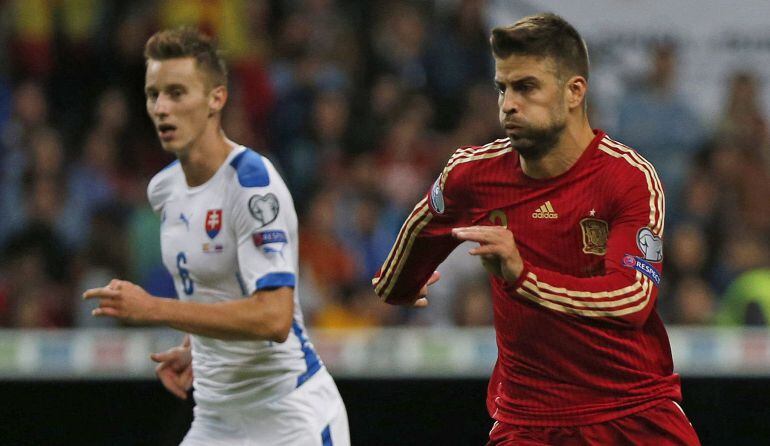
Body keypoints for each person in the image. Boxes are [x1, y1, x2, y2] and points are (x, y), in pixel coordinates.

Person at [372, 13, 700, 445]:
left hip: (632, 413)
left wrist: (522, 276)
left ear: (573, 92)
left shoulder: (629, 178)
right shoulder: (472, 174)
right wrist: (398, 284)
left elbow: (632, 299)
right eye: (501, 88)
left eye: (526, 87)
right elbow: (409, 249)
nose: (508, 104)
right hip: (528, 424)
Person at [83, 27, 349, 446]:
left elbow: (274, 318)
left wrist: (154, 308)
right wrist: (197, 345)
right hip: (215, 420)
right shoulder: (163, 190)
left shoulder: (252, 185)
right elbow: (211, 289)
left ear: (216, 98)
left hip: (289, 418)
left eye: (177, 92)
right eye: (154, 95)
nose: (162, 109)